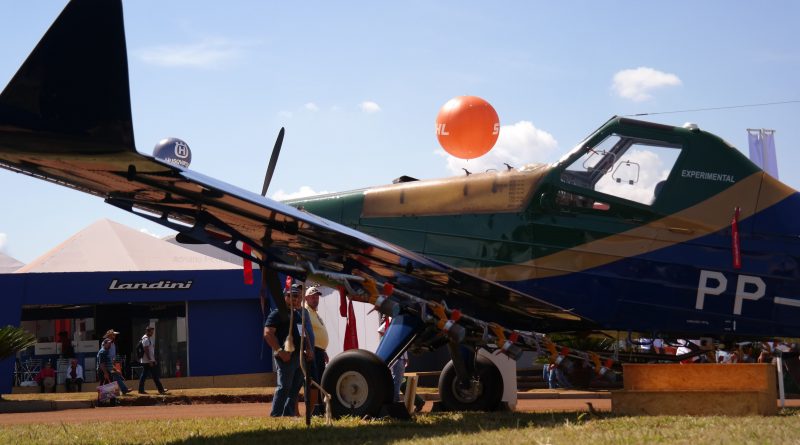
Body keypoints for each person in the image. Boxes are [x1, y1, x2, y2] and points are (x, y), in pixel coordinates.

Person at [263, 283, 314, 417]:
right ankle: (276, 416)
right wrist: (280, 351)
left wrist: (308, 348)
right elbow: (268, 333)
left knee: (295, 388)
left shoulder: (297, 314)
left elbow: (303, 332)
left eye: (298, 297)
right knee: (284, 387)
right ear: (285, 297)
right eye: (292, 296)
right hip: (286, 357)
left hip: (299, 357)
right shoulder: (277, 313)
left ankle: (288, 415)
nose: (296, 299)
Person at [303, 286, 329, 415]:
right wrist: (310, 348)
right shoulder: (305, 311)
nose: (315, 299)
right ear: (306, 298)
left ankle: (319, 409)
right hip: (311, 351)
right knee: (313, 381)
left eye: (317, 296)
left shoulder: (315, 313)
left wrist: (323, 350)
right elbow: (304, 332)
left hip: (319, 351)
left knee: (320, 381)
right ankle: (313, 410)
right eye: (312, 296)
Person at [138, 326, 169, 395]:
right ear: (148, 332)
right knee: (154, 375)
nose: (152, 333)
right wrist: (150, 360)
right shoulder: (146, 339)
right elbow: (146, 350)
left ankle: (141, 390)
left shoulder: (148, 338)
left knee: (145, 375)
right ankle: (161, 390)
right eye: (151, 332)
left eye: (153, 332)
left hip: (149, 361)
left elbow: (151, 351)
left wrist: (153, 359)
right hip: (148, 361)